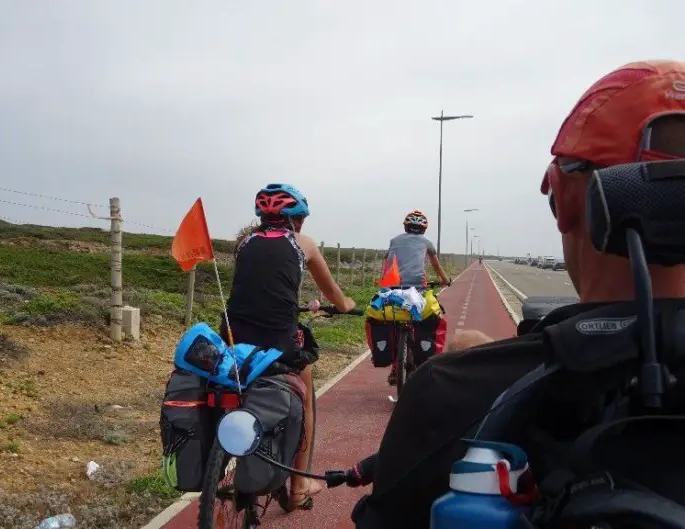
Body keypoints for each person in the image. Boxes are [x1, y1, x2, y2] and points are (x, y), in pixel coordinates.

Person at [350, 59, 685, 529]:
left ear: (564, 199)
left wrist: (473, 371)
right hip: (422, 291)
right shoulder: (424, 246)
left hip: (407, 307)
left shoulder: (455, 391)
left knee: (460, 341)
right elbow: (434, 267)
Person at [223, 183, 356, 511]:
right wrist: (346, 304)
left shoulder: (244, 244)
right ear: (296, 219)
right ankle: (298, 487)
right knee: (305, 395)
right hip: (278, 343)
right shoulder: (304, 245)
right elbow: (336, 296)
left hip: (233, 338)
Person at [380, 210, 451, 385]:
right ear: (424, 229)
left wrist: (385, 285)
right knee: (425, 319)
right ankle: (423, 357)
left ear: (405, 227)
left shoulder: (394, 241)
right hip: (417, 289)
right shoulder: (427, 243)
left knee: (393, 322)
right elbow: (436, 266)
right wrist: (445, 280)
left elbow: (387, 263)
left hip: (393, 287)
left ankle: (395, 368)